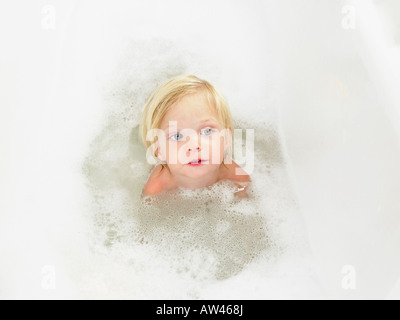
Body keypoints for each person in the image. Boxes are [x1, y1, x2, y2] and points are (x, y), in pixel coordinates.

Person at [139, 74, 250, 197]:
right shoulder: (159, 183)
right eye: (177, 136)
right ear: (159, 150)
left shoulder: (230, 171)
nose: (194, 146)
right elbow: (146, 210)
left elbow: (247, 194)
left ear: (226, 139)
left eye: (207, 131)